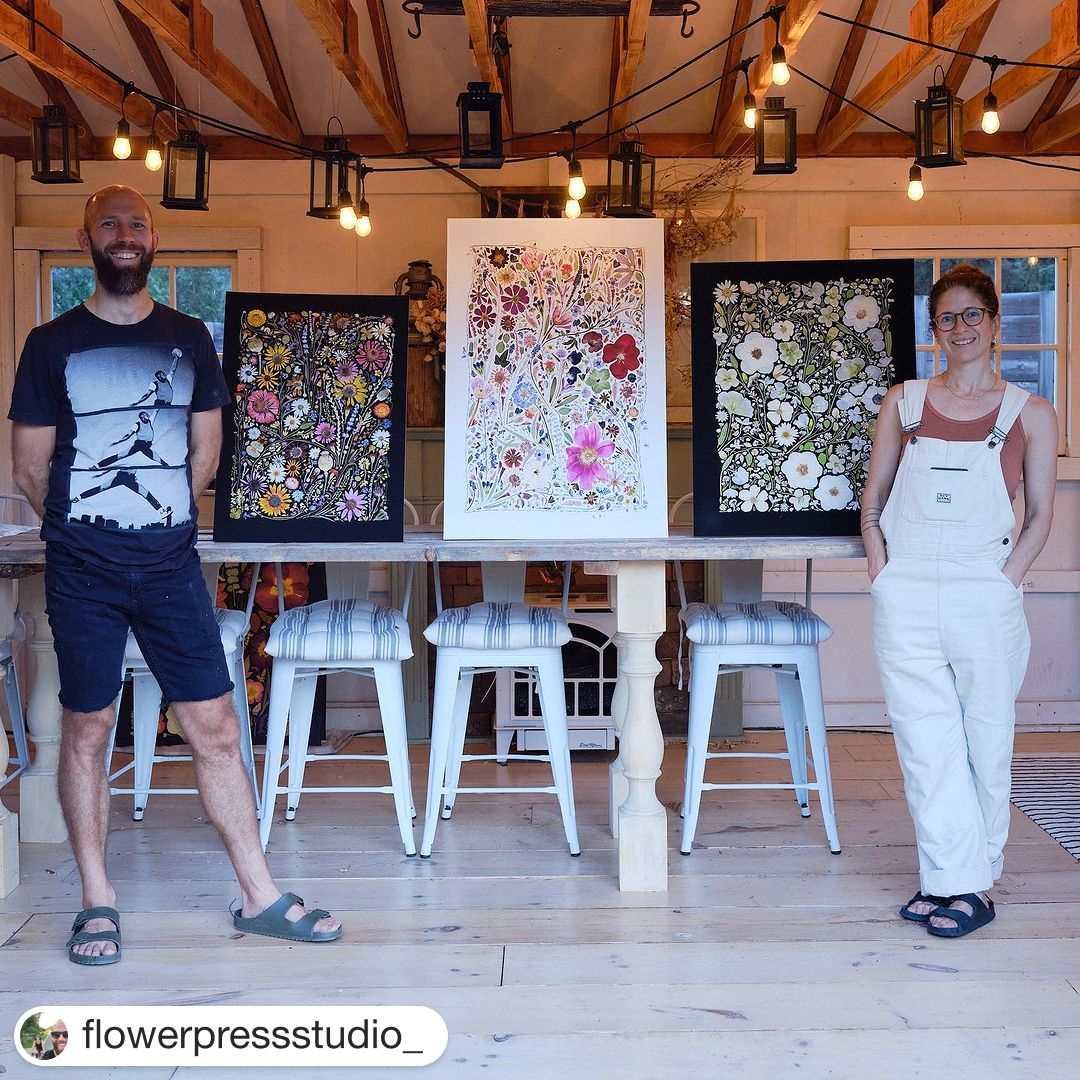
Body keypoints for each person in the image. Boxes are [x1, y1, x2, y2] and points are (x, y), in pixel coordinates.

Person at [9, 184, 341, 965]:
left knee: (217, 729)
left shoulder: (189, 337)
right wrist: (91, 523)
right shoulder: (50, 345)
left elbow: (206, 454)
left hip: (170, 568)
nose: (125, 235)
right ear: (87, 236)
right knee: (88, 728)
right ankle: (97, 898)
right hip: (82, 569)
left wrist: (157, 520)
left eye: (137, 223)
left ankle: (259, 895)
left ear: (153, 239)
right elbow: (30, 468)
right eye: (110, 223)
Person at [861, 264, 1057, 938]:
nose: (962, 327)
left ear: (996, 323)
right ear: (934, 330)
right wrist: (882, 569)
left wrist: (1008, 579)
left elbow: (1038, 518)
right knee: (924, 739)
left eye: (973, 314)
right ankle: (952, 878)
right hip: (907, 587)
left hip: (985, 591)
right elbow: (875, 500)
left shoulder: (1029, 413)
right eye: (948, 317)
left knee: (984, 736)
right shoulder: (904, 402)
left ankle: (972, 881)